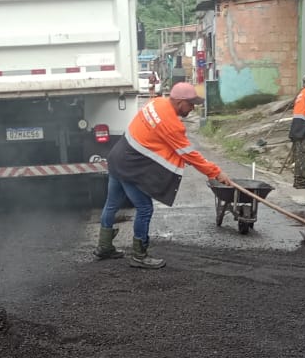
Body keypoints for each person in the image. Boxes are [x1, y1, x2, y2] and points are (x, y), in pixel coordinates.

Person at [94, 82, 232, 269]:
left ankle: (104, 247)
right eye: (191, 104)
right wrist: (215, 172)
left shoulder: (156, 102)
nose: (192, 108)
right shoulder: (172, 124)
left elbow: (156, 137)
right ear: (180, 102)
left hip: (117, 157)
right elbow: (189, 154)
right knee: (145, 208)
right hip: (130, 166)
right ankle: (139, 255)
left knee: (111, 204)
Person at [287, 72, 305, 189]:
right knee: (304, 155)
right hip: (304, 126)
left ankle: (298, 180)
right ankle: (301, 181)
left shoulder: (301, 93)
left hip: (296, 126)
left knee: (299, 154)